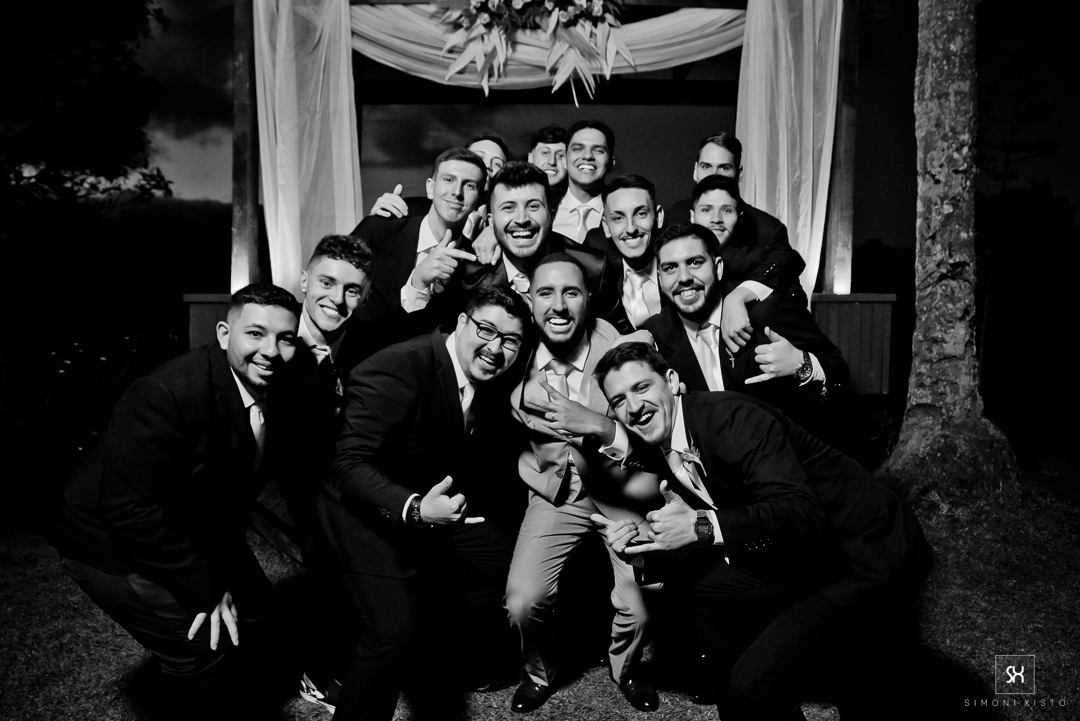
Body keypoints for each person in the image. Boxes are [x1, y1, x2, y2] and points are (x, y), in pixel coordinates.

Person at [590, 342, 931, 721]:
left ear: (671, 381)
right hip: (802, 549)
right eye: (619, 400)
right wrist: (640, 551)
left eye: (641, 387)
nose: (633, 406)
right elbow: (717, 526)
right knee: (710, 596)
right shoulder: (665, 438)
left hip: (863, 551)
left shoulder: (731, 418)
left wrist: (702, 525)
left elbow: (800, 513)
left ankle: (762, 692)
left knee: (766, 684)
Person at [52, 283, 302, 718]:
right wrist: (208, 588)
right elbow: (128, 510)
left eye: (285, 338)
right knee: (201, 653)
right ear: (224, 334)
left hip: (187, 520)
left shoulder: (272, 383)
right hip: (106, 539)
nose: (270, 350)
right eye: (255, 333)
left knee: (260, 611)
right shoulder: (166, 392)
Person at [305, 286, 530, 721]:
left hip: (424, 512)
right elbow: (349, 465)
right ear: (462, 322)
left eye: (511, 340)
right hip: (358, 518)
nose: (496, 347)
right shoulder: (399, 366)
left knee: (500, 560)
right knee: (393, 629)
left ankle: (433, 655)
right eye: (486, 330)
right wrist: (414, 508)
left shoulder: (483, 377)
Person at [502, 254, 661, 713]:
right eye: (545, 293)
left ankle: (626, 669)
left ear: (588, 299)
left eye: (570, 292)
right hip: (554, 492)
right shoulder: (512, 352)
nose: (558, 305)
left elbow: (658, 430)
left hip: (622, 487)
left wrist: (596, 423)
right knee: (522, 600)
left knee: (641, 602)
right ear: (530, 302)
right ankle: (541, 672)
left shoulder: (621, 349)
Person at [641, 222, 848, 444]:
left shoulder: (767, 312)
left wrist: (801, 364)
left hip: (788, 454)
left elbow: (839, 374)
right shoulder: (655, 334)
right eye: (670, 268)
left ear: (718, 268)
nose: (683, 277)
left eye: (694, 262)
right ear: (660, 279)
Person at [338, 147, 485, 370]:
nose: (457, 192)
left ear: (479, 199)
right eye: (448, 179)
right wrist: (417, 283)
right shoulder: (378, 231)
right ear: (430, 188)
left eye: (470, 185)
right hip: (356, 371)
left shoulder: (476, 267)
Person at [455, 161, 626, 332]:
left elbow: (621, 337)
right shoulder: (467, 275)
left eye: (533, 206)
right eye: (509, 208)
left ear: (552, 215)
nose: (522, 219)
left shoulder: (593, 269)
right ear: (491, 222)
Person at [582, 174, 667, 330]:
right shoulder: (596, 266)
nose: (631, 228)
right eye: (618, 218)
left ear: (659, 217)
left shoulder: (679, 260)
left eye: (641, 214)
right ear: (606, 227)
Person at [551, 119, 615, 243]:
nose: (587, 156)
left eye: (598, 150)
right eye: (578, 149)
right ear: (564, 159)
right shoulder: (545, 207)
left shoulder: (623, 212)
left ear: (611, 164)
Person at [527, 124, 568, 207]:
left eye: (560, 155)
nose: (552, 161)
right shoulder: (514, 194)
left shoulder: (578, 201)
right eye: (545, 153)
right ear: (530, 158)